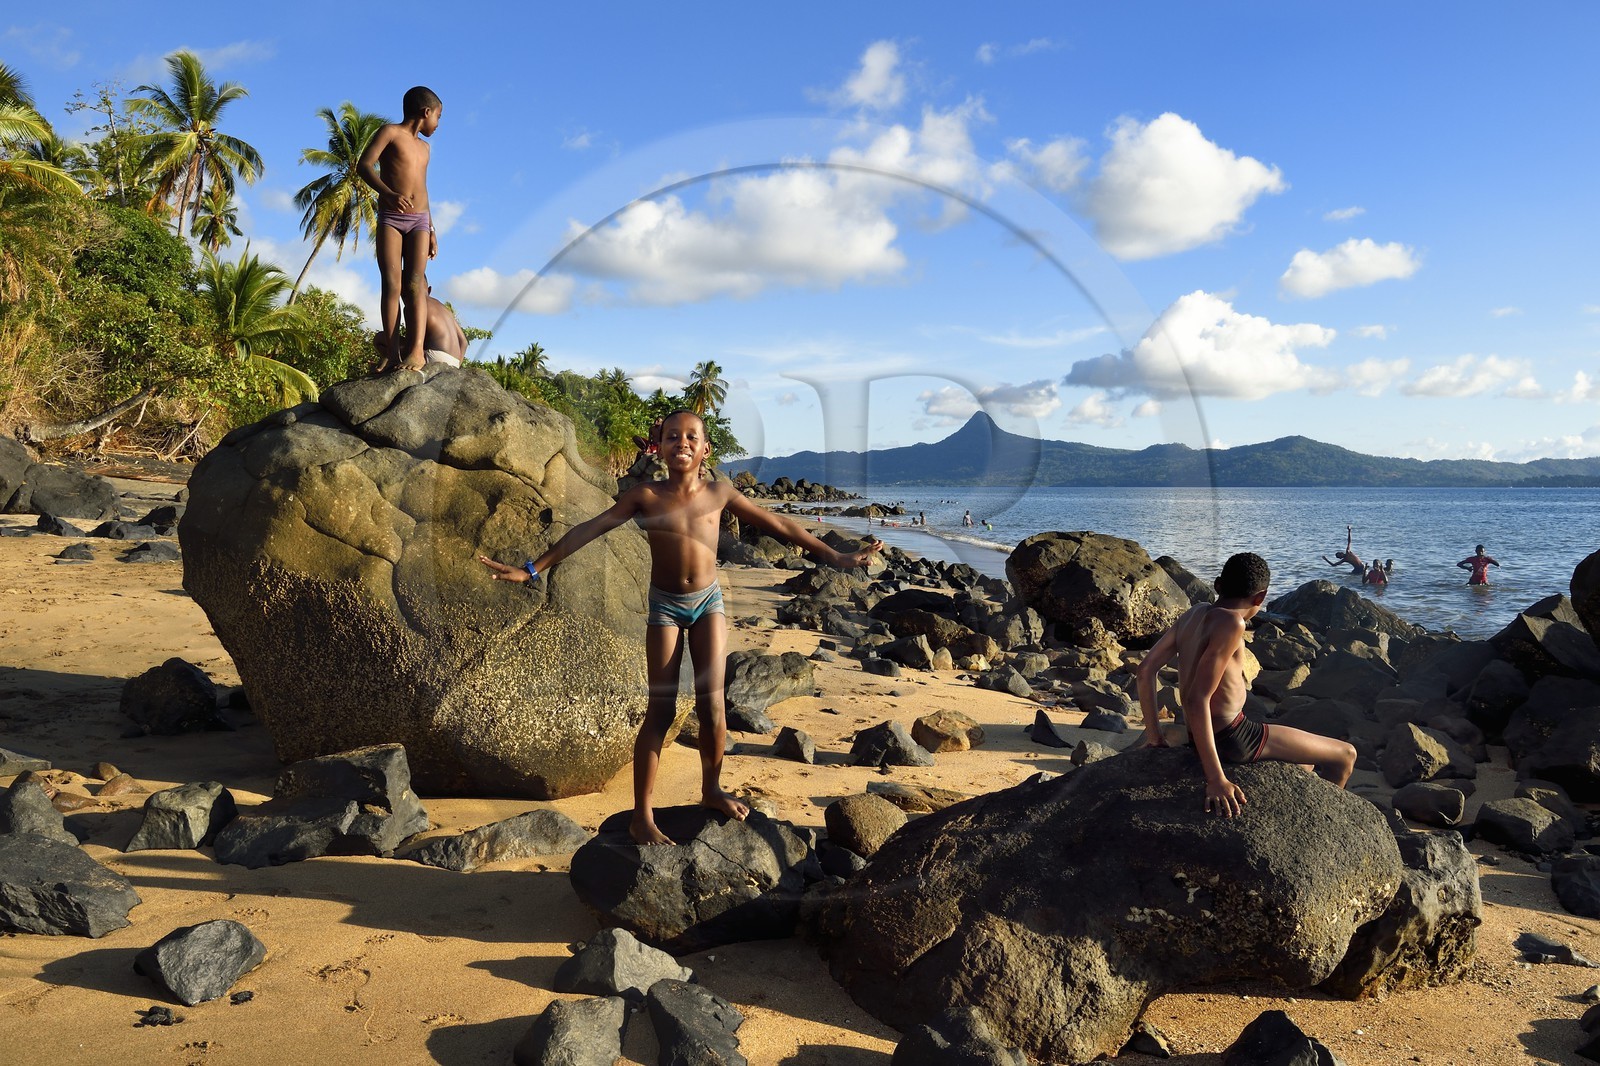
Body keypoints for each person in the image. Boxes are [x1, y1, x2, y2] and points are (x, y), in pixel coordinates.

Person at [479, 409, 884, 845]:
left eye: (692, 436)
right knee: (661, 709)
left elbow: (781, 525)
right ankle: (642, 816)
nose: (683, 442)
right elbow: (590, 528)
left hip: (708, 602)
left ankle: (711, 789)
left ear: (706, 449)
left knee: (713, 706)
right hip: (665, 608)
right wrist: (533, 568)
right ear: (660, 447)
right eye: (673, 436)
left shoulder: (721, 494)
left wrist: (836, 556)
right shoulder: (645, 497)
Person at [1137, 552, 1356, 817]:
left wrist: (1154, 737)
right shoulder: (1232, 622)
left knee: (1306, 764)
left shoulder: (1193, 614)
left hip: (1201, 734)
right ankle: (1329, 821)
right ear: (1260, 598)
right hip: (1235, 737)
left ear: (1218, 585)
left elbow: (1146, 669)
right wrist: (1216, 779)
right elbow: (1197, 699)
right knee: (1346, 754)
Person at [359, 85, 443, 374]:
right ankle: (393, 354)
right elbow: (365, 165)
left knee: (416, 281)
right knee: (392, 284)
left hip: (419, 219)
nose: (438, 124)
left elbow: (423, 188)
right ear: (426, 112)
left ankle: (417, 351)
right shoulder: (390, 132)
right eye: (439, 117)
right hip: (392, 218)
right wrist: (387, 193)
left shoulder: (425, 148)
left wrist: (431, 228)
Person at [370, 284, 468, 371]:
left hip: (433, 357)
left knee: (380, 338)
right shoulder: (445, 309)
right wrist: (456, 366)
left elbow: (410, 344)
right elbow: (464, 342)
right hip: (454, 361)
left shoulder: (414, 306)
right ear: (429, 290)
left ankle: (389, 359)